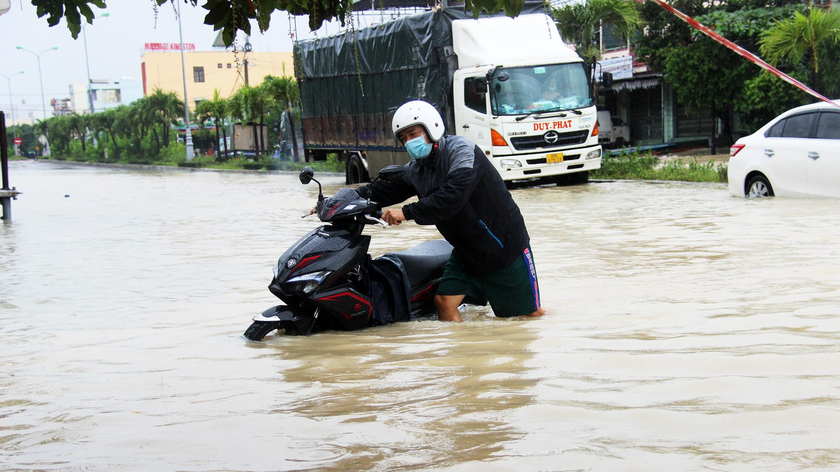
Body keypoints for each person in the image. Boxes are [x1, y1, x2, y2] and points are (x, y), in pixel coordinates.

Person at [356, 100, 545, 322]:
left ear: (431, 128)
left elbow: (452, 196)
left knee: (529, 317)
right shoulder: (417, 169)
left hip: (504, 249)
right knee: (444, 302)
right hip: (467, 253)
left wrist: (406, 212)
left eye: (413, 133)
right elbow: (381, 191)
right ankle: (464, 355)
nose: (409, 142)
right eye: (403, 138)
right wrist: (340, 199)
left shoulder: (462, 152)